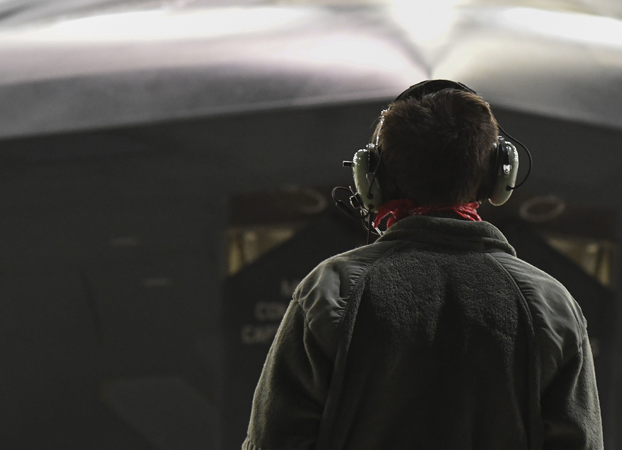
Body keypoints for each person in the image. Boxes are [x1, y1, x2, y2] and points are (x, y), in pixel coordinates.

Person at [244, 80, 603, 450]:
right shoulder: (551, 305)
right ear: (498, 176)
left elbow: (274, 441)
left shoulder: (329, 290)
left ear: (374, 178)